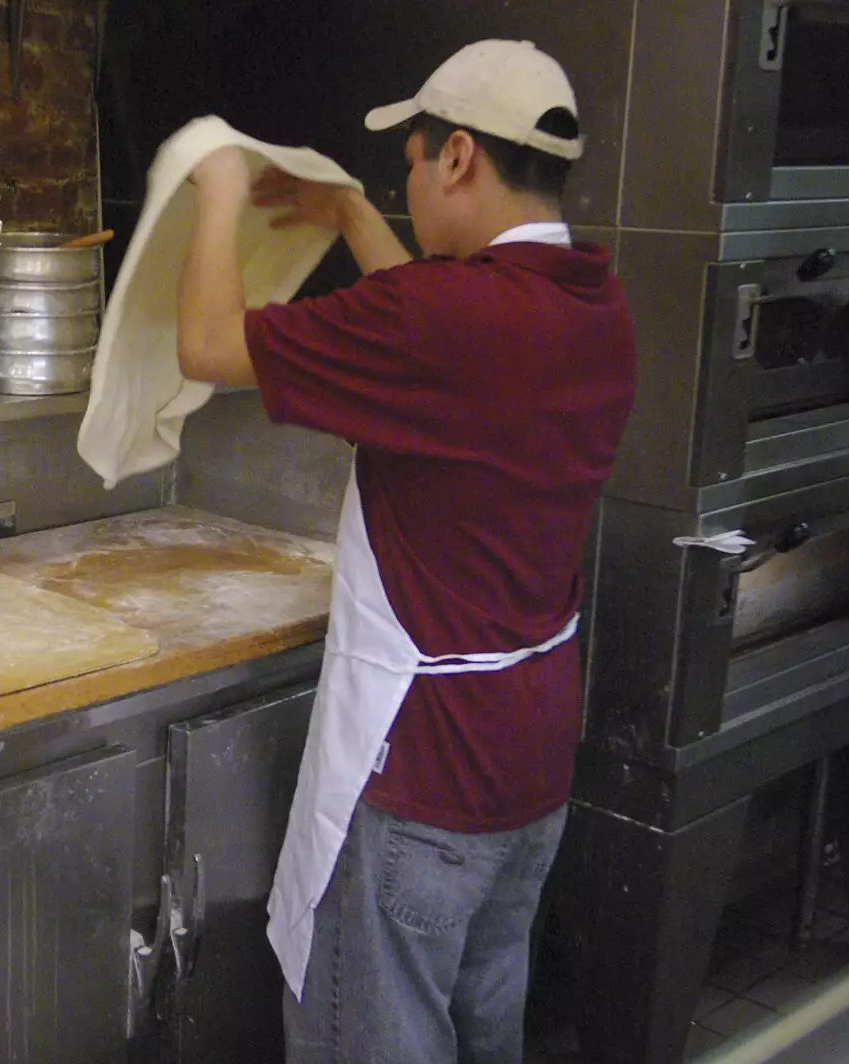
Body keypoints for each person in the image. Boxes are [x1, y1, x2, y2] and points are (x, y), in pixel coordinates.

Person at [175, 40, 638, 1064]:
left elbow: (206, 343)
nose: (407, 181)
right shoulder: (592, 306)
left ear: (460, 156)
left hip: (422, 780)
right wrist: (346, 215)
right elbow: (443, 346)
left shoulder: (437, 319)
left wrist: (210, 178)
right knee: (481, 1030)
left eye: (413, 160)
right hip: (529, 775)